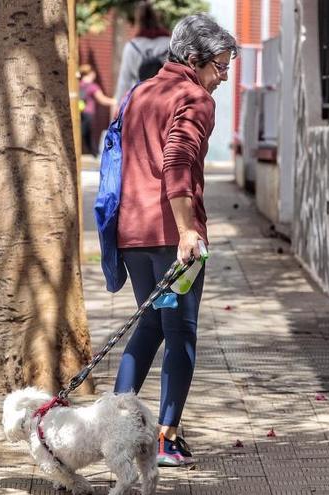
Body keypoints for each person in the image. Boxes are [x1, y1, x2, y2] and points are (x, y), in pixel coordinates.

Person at [113, 13, 237, 467]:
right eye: (219, 67)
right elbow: (178, 161)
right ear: (193, 59)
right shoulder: (194, 98)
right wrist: (187, 231)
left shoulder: (140, 93)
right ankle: (166, 438)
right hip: (172, 237)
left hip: (133, 233)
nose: (222, 78)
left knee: (150, 326)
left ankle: (116, 427)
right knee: (180, 333)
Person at [113, 1, 172, 104]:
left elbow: (124, 82)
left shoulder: (132, 46)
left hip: (139, 101)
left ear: (138, 21)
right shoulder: (170, 44)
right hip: (166, 99)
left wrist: (119, 106)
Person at [78, 64, 115, 156]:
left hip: (80, 112)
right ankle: (94, 153)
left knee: (85, 133)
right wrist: (114, 101)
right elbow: (102, 99)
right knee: (86, 133)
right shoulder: (93, 87)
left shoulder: (78, 84)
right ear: (91, 73)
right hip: (89, 113)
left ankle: (92, 152)